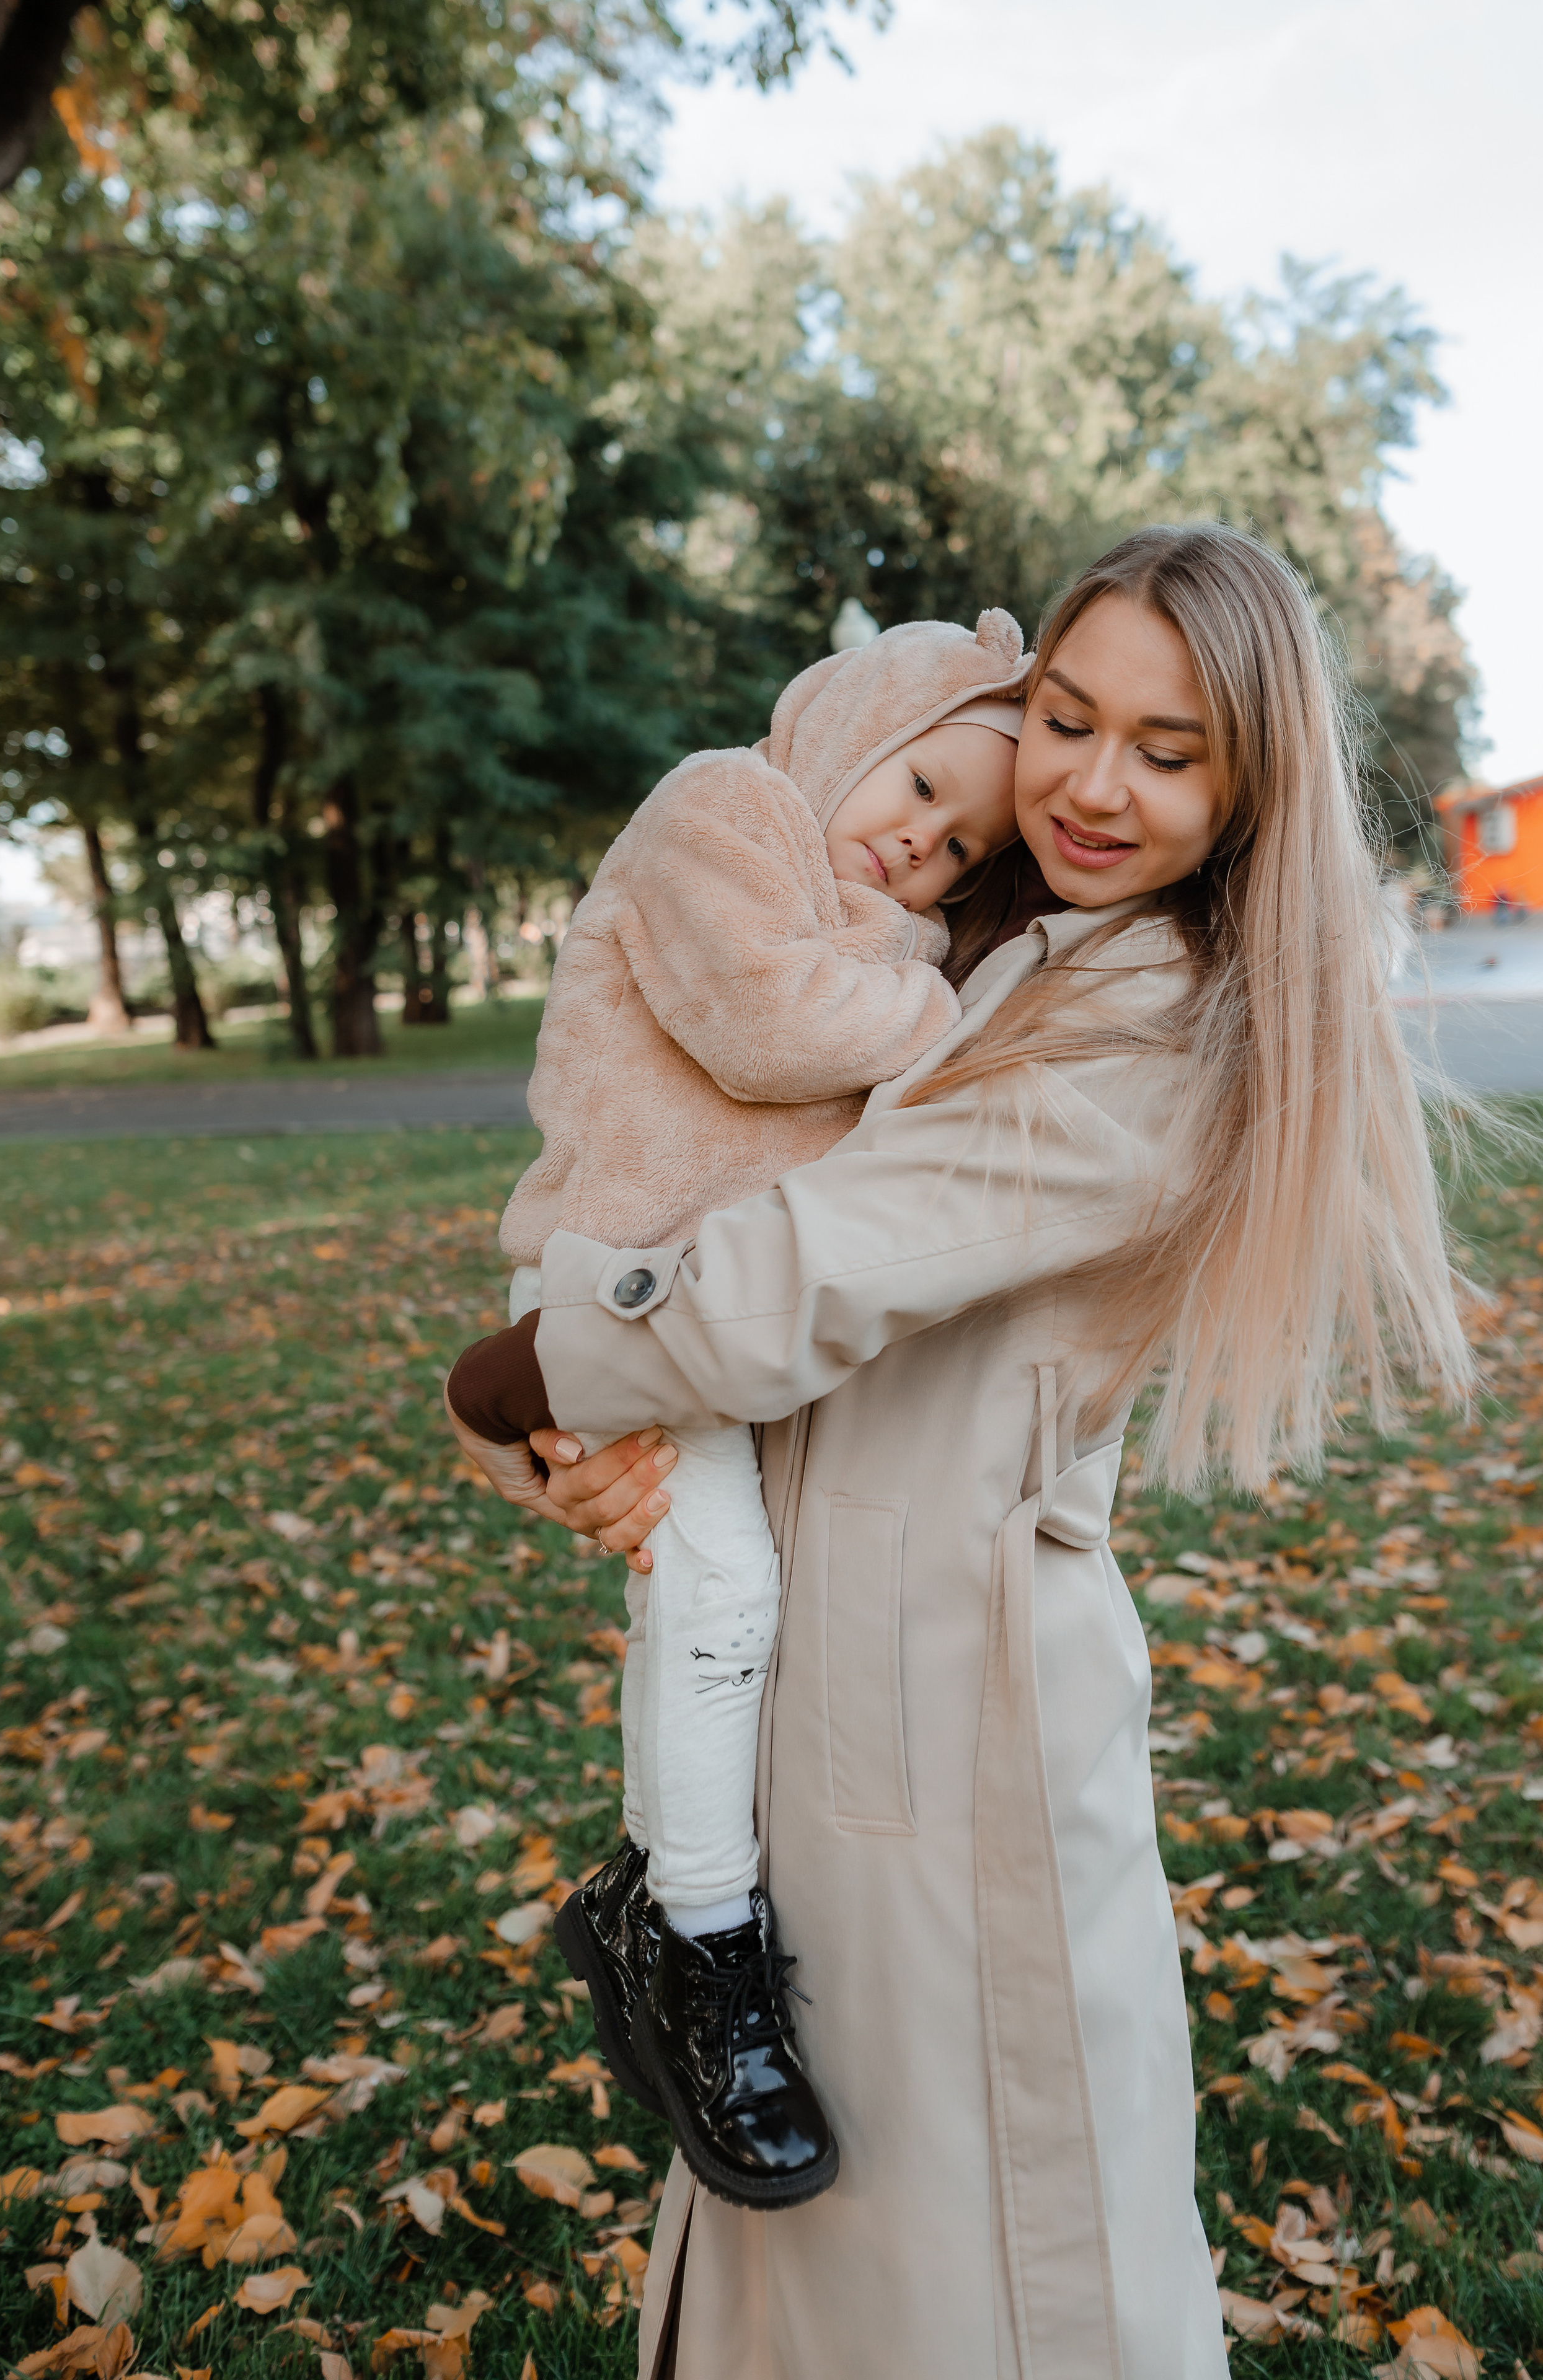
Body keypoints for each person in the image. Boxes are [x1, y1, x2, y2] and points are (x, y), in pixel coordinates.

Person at [448, 524, 1471, 2379]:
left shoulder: (1164, 1022)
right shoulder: (991, 955)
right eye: (1065, 720)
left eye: (1167, 751)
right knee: (809, 2243)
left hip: (958, 1713)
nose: (1088, 782)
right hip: (818, 1661)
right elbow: (717, 1205)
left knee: (987, 2264)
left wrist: (513, 1375)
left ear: (1252, 782)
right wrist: (588, 1444)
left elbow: (789, 1284)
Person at [449, 609, 1029, 2209]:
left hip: (704, 1309)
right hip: (616, 1291)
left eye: (959, 852)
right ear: (847, 727)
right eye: (914, 785)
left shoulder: (862, 907)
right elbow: (767, 1025)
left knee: (705, 1605)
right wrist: (957, 1014)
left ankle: (645, 1892)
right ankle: (706, 1945)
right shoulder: (725, 807)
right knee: (721, 1589)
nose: (917, 846)